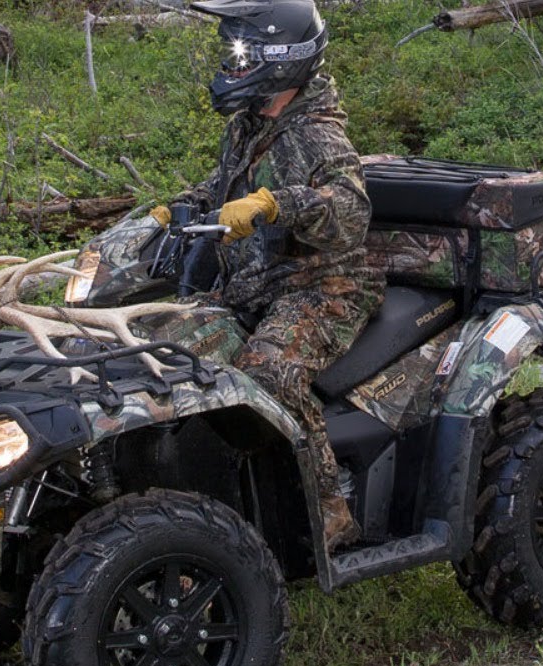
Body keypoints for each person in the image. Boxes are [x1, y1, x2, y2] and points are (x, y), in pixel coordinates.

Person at [150, 0, 384, 550]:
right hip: (255, 283)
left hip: (326, 286)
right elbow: (221, 188)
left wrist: (278, 204)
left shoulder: (318, 134)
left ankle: (328, 513)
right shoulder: (248, 125)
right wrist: (175, 209)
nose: (230, 67)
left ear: (281, 59)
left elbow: (350, 210)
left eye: (241, 55)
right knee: (165, 343)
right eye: (229, 54)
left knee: (270, 370)